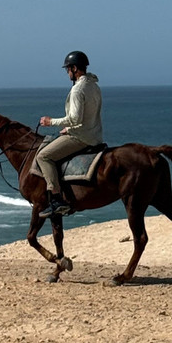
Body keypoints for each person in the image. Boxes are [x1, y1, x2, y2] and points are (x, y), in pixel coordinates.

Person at [35, 50, 104, 218]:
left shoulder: (77, 90)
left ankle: (57, 199)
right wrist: (69, 128)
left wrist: (50, 122)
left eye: (68, 69)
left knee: (43, 156)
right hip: (95, 135)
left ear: (74, 69)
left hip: (81, 138)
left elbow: (74, 118)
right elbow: (88, 115)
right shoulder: (94, 85)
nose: (67, 73)